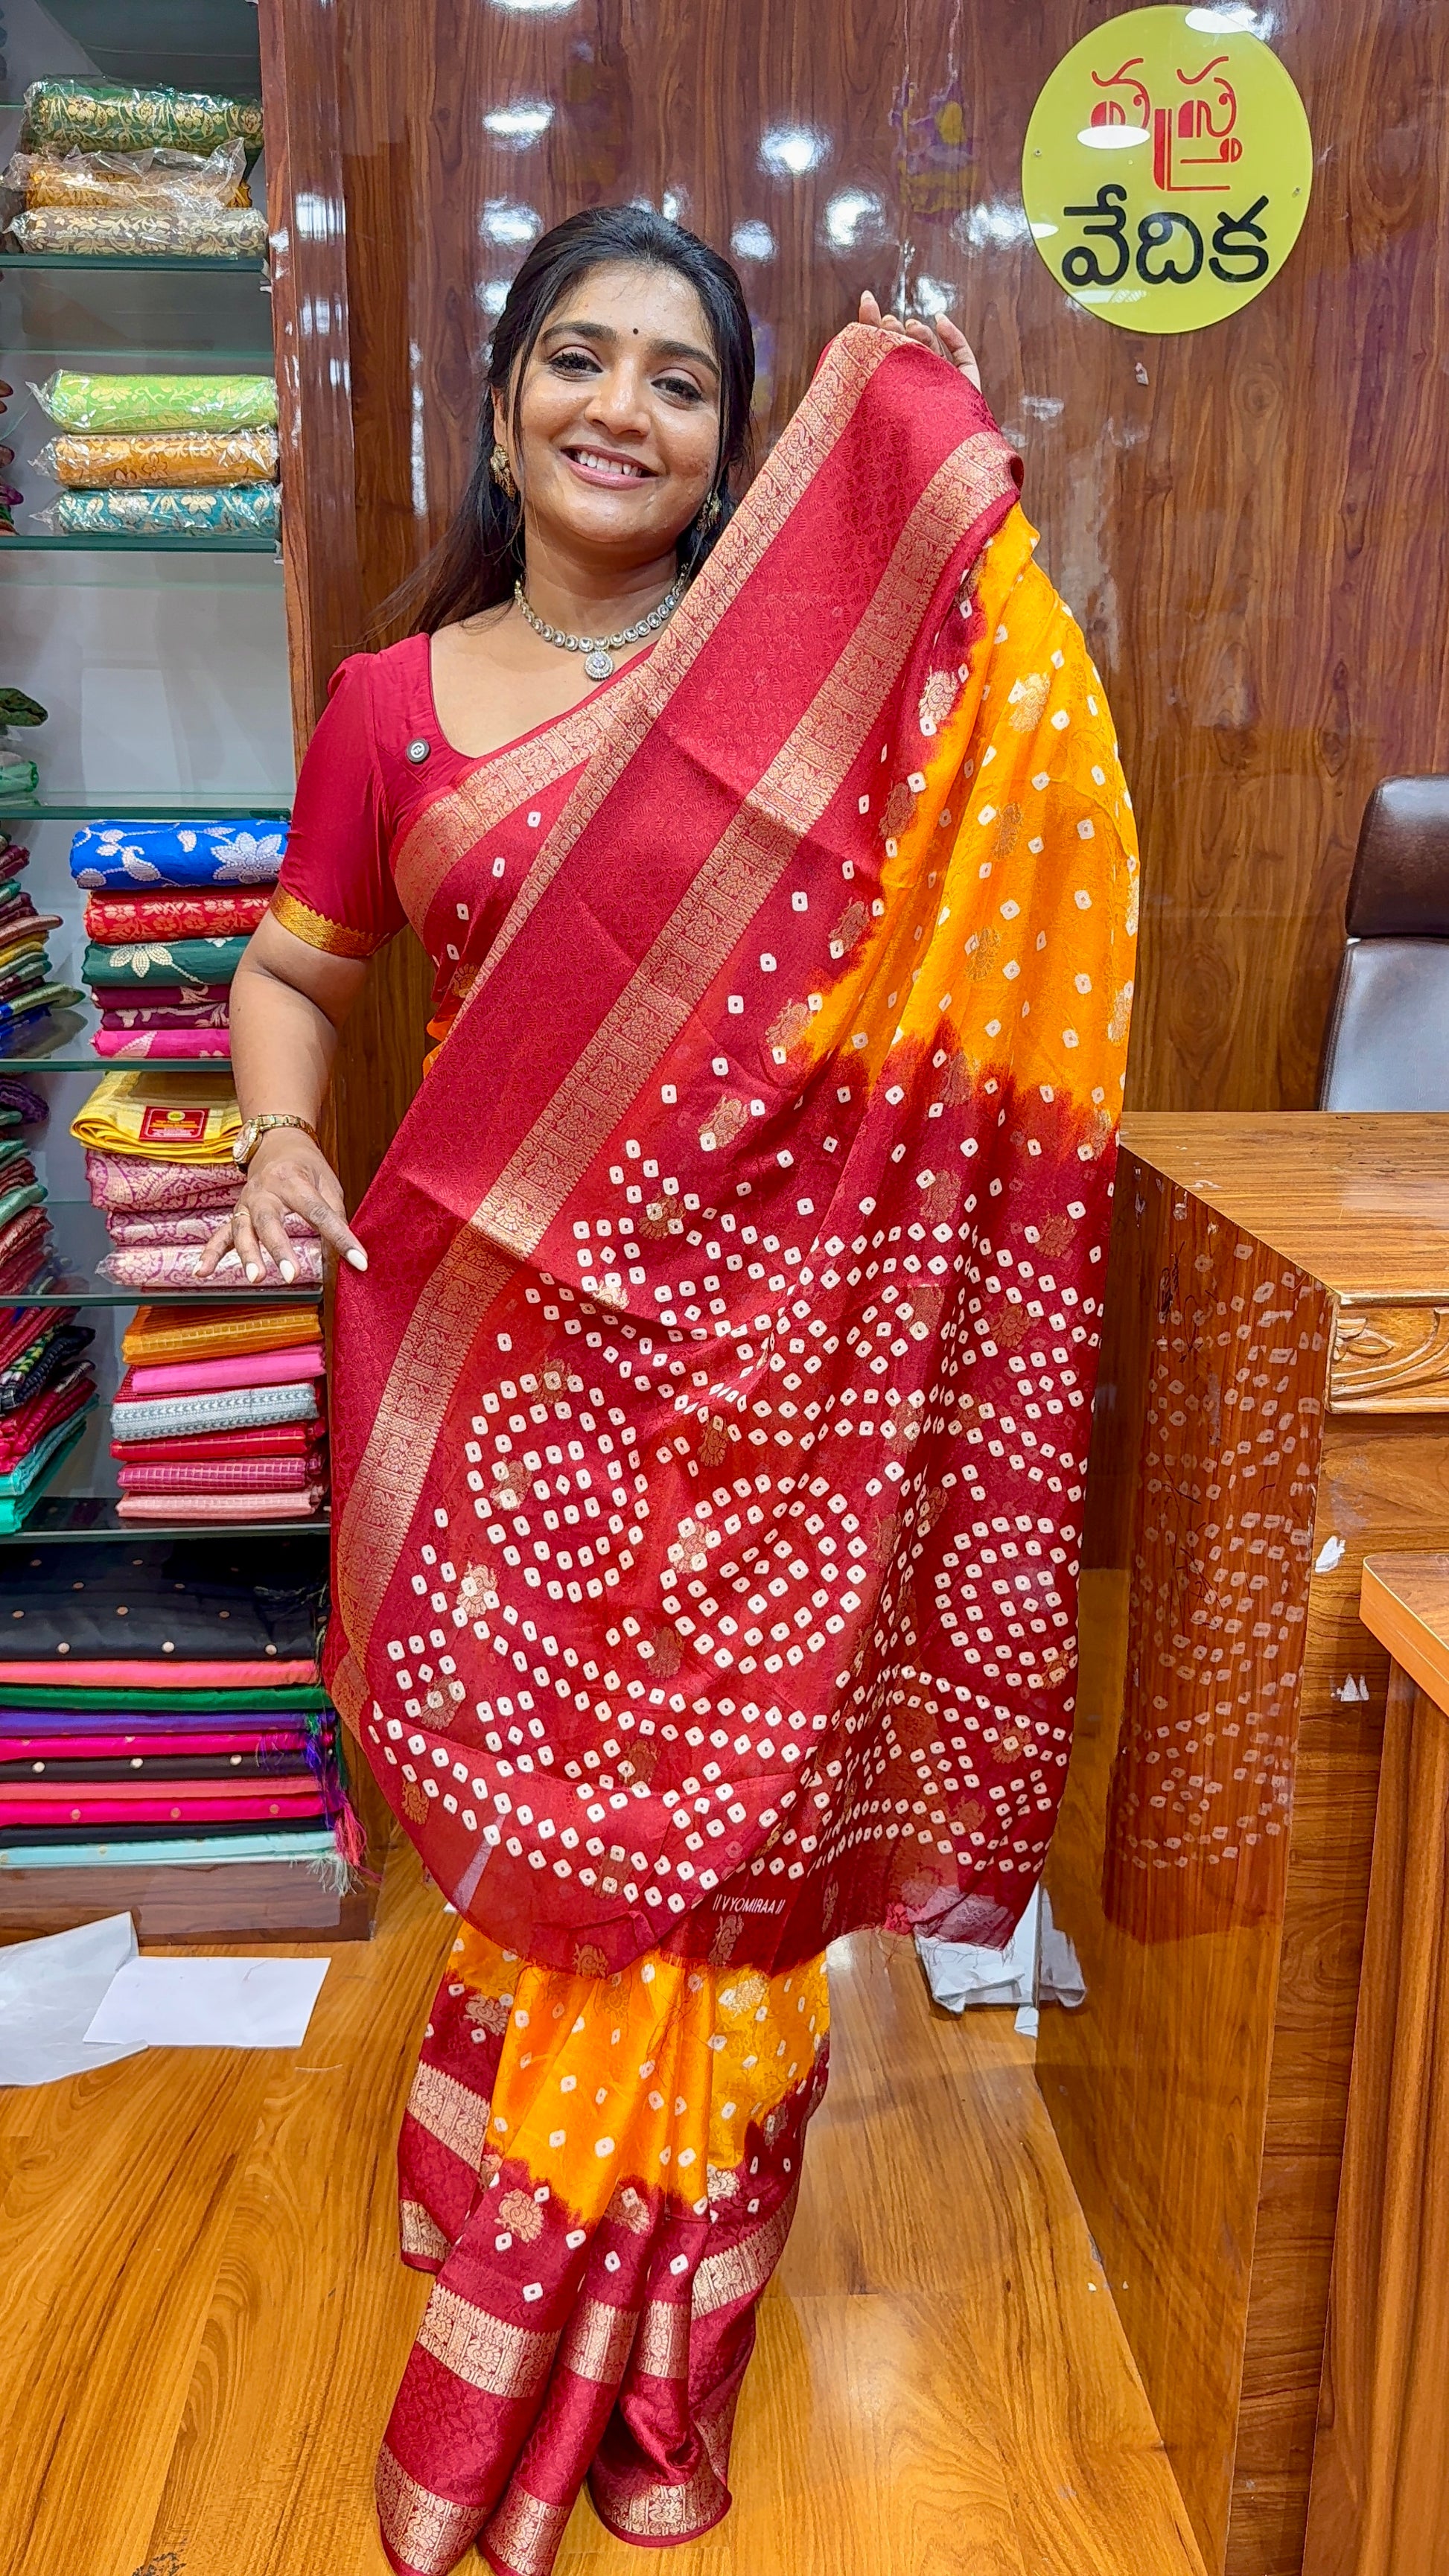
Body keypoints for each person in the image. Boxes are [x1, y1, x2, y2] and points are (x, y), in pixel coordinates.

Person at [202, 205, 1138, 2576]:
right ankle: (521, 2221)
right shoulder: (392, 705)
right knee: (551, 1852)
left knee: (705, 1874)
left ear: (736, 449)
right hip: (513, 1381)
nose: (618, 407)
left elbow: (1016, 821)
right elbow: (298, 968)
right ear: (502, 401)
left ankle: (641, 2364)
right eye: (576, 357)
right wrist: (284, 1132)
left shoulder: (803, 708)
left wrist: (930, 473)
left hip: (767, 1374)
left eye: (682, 379)